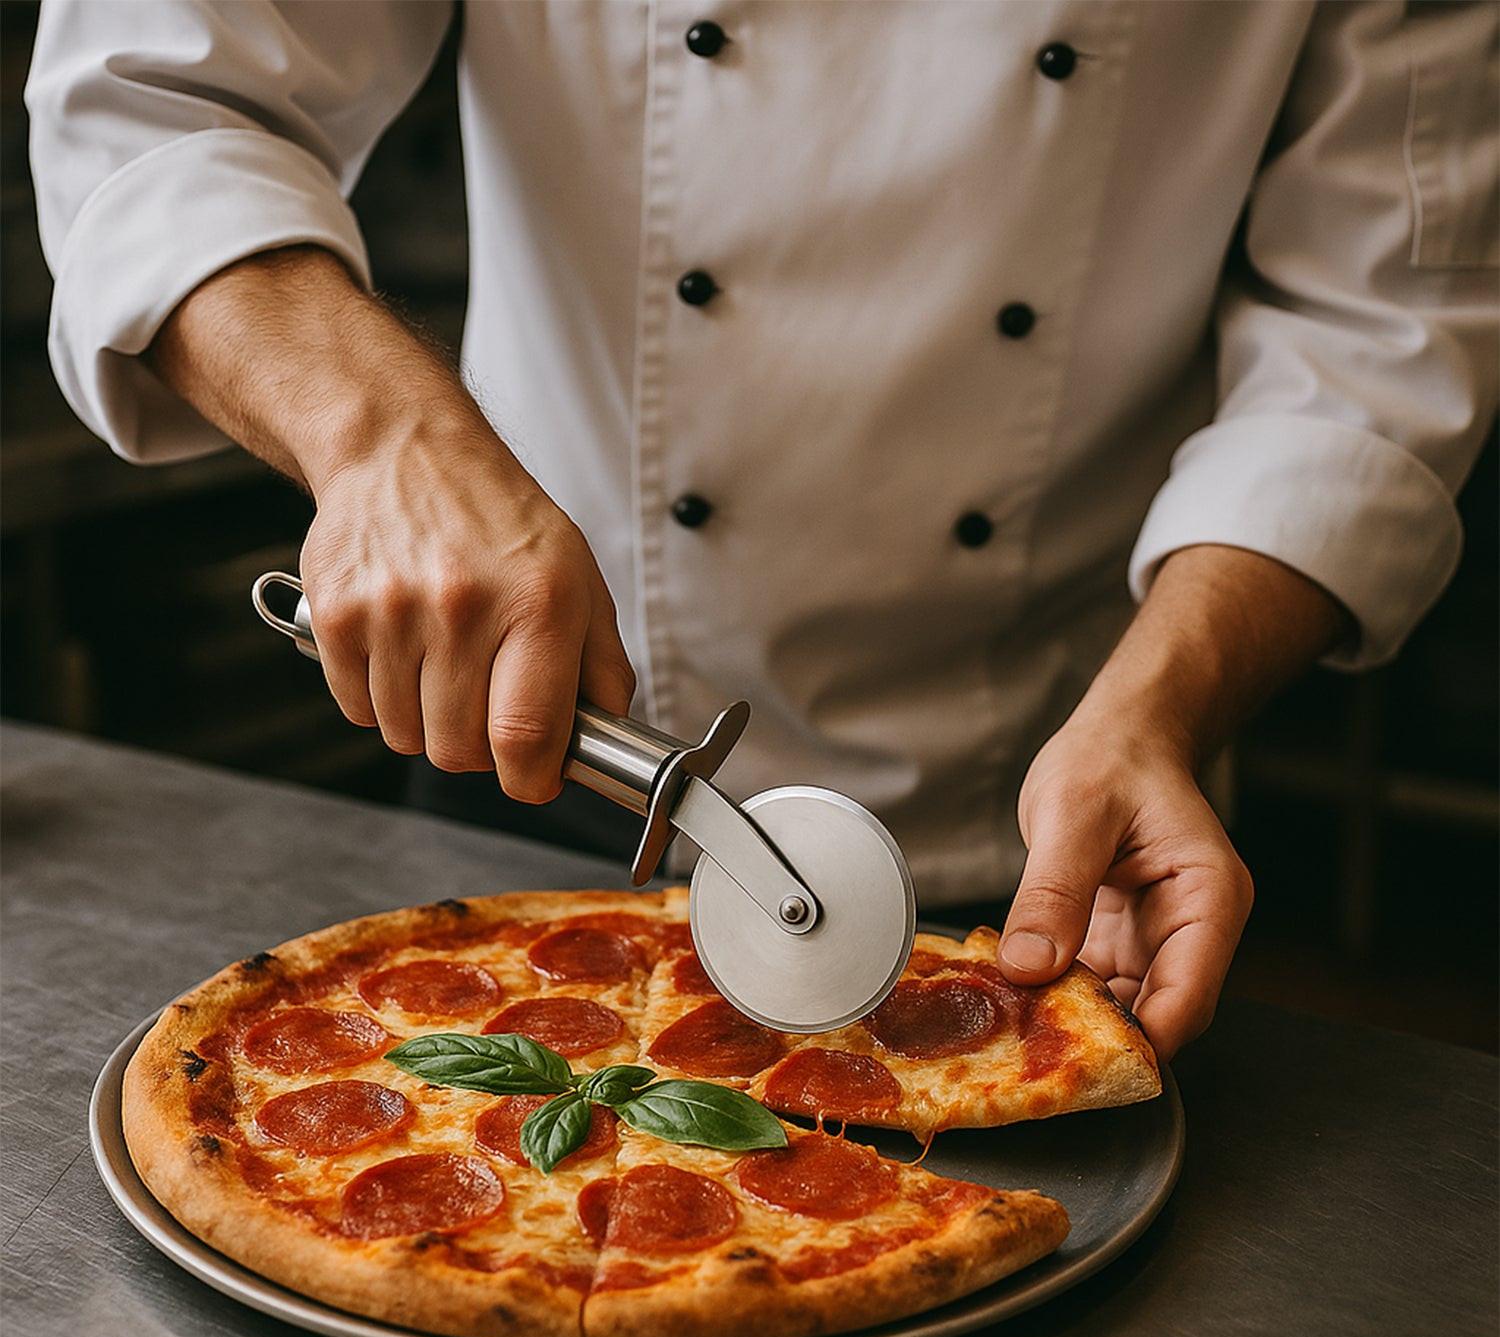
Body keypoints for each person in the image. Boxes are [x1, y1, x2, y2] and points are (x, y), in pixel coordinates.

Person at [27, 2, 1497, 1059]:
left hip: (1070, 824)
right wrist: (387, 442)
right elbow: (156, 96)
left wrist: (1163, 703)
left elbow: (1377, 324)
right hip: (546, 748)